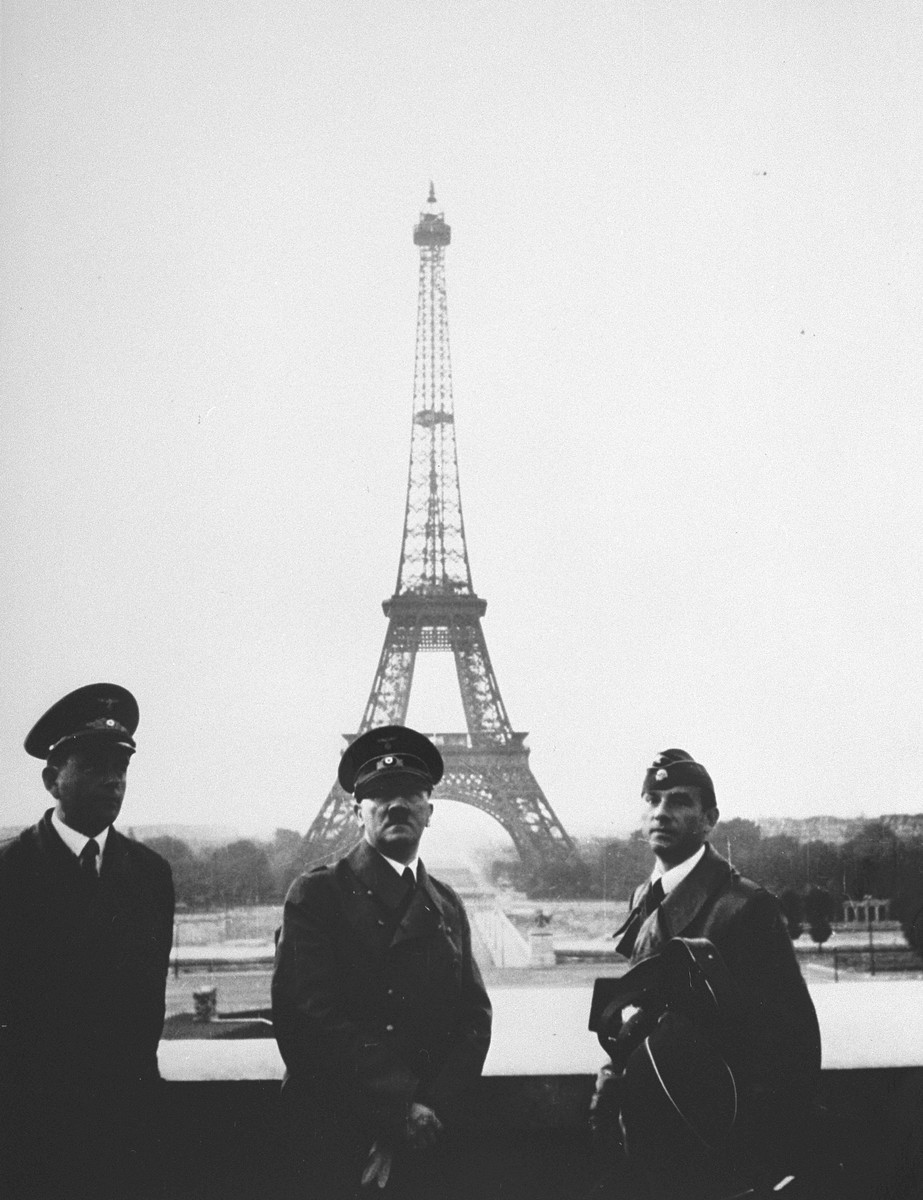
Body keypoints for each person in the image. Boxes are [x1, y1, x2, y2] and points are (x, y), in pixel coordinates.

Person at [590, 749, 822, 1200]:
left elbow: (791, 1044)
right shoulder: (647, 894)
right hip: (650, 1122)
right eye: (652, 799)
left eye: (678, 801)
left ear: (709, 818)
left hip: (708, 1142)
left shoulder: (747, 906)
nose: (661, 813)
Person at [272, 725, 493, 1199]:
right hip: (341, 1131)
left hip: (427, 1132)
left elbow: (474, 1018)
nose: (397, 805)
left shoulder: (447, 903)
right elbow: (307, 1017)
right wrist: (398, 1107)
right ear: (358, 810)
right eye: (380, 793)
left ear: (430, 811)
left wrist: (429, 1106)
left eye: (411, 793)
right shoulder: (316, 894)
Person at [0, 684, 175, 1200]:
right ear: (52, 779)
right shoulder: (7, 874)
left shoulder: (151, 875)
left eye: (121, 768)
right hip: (31, 1125)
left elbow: (147, 1003)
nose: (113, 781)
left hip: (128, 1123)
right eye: (96, 765)